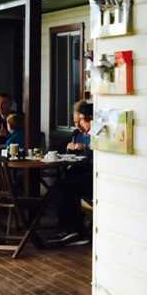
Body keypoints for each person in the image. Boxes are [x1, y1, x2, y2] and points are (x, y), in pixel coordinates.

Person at [48, 101, 93, 244]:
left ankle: (74, 230)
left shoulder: (97, 133)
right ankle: (69, 228)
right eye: (75, 122)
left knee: (64, 187)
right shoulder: (77, 133)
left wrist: (85, 148)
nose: (78, 126)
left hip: (94, 177)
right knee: (60, 185)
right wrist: (70, 149)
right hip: (81, 172)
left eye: (80, 121)